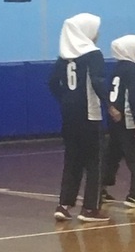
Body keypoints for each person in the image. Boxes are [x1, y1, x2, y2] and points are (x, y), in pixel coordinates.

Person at [48, 13, 120, 222]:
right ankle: (90, 208)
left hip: (69, 115)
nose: (97, 34)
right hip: (89, 114)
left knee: (72, 160)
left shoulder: (64, 56)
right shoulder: (93, 54)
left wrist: (66, 99)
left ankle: (63, 205)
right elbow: (97, 82)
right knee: (95, 161)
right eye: (95, 30)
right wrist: (110, 105)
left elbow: (52, 82)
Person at [100, 35, 135, 208]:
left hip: (114, 121)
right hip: (127, 121)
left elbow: (108, 92)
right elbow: (133, 98)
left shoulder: (116, 69)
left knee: (111, 157)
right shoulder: (133, 70)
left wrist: (111, 109)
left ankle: (99, 190)